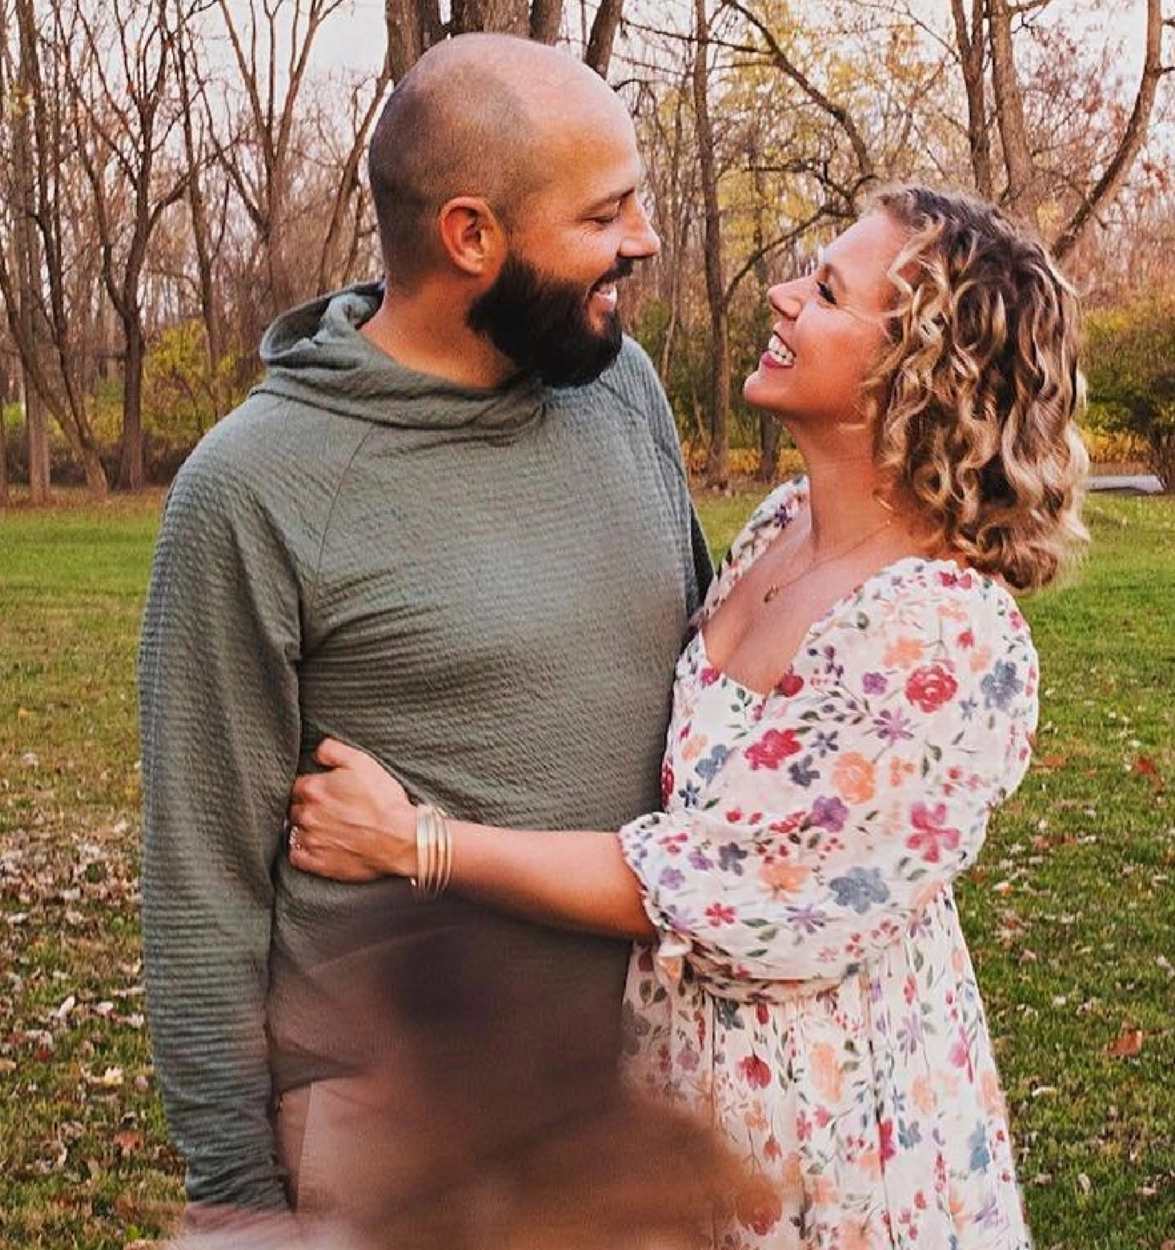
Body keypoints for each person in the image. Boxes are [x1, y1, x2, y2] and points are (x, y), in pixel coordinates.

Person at [287, 184, 1090, 1249]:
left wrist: (416, 842)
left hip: (831, 1141)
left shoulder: (943, 642)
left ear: (916, 371)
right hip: (681, 1092)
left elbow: (711, 887)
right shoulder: (783, 525)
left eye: (826, 292)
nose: (782, 294)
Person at [138, 32, 711, 1233]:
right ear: (470, 236)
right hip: (402, 1131)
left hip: (643, 1096)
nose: (644, 239)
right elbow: (202, 880)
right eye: (604, 213)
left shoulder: (620, 389)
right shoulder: (255, 484)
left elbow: (707, 698)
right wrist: (236, 1202)